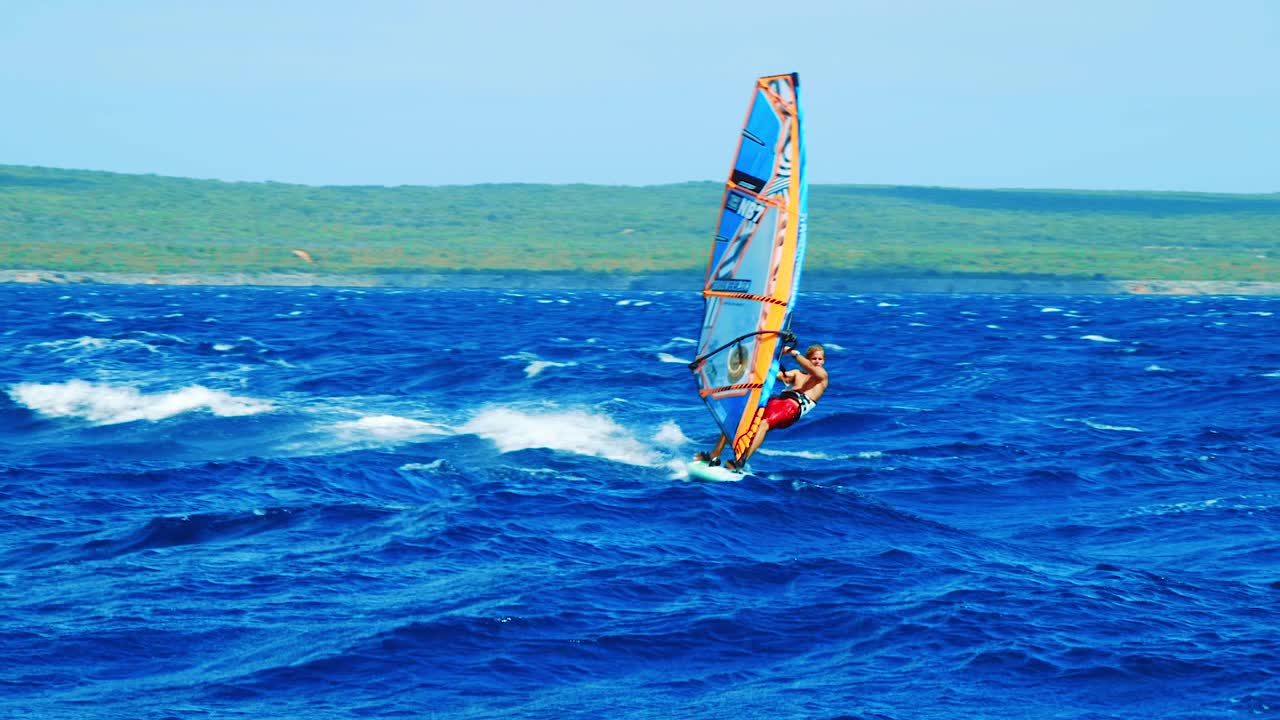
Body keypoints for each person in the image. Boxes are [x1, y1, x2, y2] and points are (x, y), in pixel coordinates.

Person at [694, 343, 828, 471]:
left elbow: (813, 370)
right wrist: (758, 361)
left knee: (763, 424)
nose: (816, 361)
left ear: (823, 361)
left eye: (820, 359)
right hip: (776, 402)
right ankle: (715, 454)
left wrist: (793, 353)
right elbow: (775, 375)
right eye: (813, 358)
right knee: (737, 414)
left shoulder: (822, 377)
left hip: (791, 408)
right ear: (808, 358)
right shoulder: (797, 374)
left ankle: (740, 462)